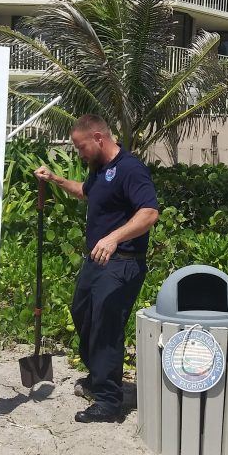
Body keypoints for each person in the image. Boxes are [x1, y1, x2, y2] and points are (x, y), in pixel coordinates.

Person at [35, 115, 159, 424]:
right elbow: (85, 192)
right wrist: (54, 179)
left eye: (81, 146)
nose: (79, 153)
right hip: (97, 262)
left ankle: (109, 401)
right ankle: (98, 377)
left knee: (106, 325)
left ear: (99, 138)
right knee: (82, 313)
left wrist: (115, 237)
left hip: (123, 263)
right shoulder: (100, 170)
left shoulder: (131, 169)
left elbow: (149, 212)